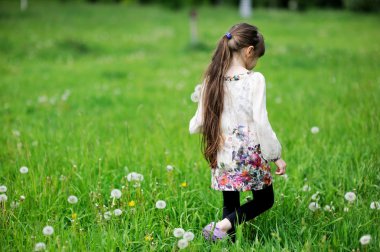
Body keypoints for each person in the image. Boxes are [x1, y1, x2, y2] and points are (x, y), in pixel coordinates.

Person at [188, 23, 287, 242]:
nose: (256, 63)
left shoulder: (211, 79)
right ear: (249, 51)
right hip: (249, 154)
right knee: (264, 200)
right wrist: (275, 155)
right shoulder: (254, 79)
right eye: (257, 56)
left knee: (230, 203)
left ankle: (224, 241)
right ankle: (221, 225)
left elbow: (198, 122)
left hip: (222, 151)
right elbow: (261, 122)